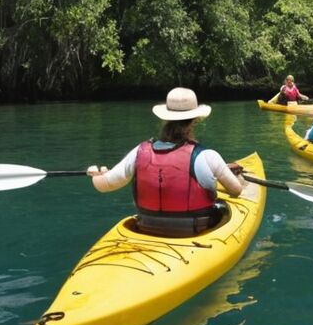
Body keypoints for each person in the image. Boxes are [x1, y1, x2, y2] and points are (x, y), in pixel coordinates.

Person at [87, 87, 248, 238]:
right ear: (194, 121)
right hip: (196, 231)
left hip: (146, 227)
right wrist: (239, 178)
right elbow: (236, 190)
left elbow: (104, 185)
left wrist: (96, 174)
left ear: (165, 120)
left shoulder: (139, 152)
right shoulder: (208, 156)